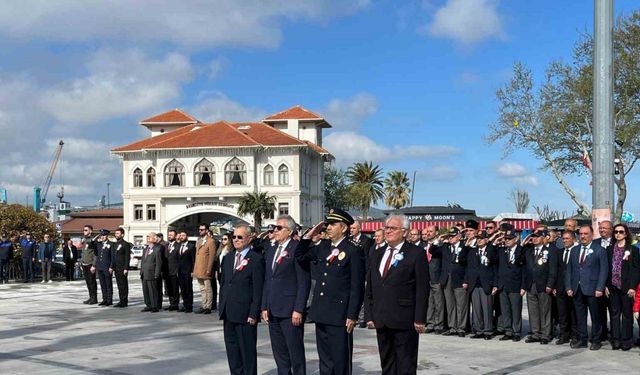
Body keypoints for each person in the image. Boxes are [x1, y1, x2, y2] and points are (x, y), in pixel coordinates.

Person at [296, 208, 365, 375]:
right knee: (325, 360)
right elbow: (299, 256)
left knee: (340, 359)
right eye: (327, 224)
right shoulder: (323, 247)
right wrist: (309, 235)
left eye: (332, 225)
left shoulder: (353, 250)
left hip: (340, 314)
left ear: (343, 227)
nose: (328, 227)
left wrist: (352, 315)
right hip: (321, 311)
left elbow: (357, 286)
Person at [365, 214, 428, 375]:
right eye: (386, 228)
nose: (388, 231)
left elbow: (422, 288)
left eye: (393, 228)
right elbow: (371, 285)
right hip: (382, 317)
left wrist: (419, 318)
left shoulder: (416, 253)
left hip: (404, 318)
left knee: (405, 363)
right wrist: (369, 314)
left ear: (405, 232)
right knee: (387, 363)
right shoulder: (377, 253)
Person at [261, 215, 310, 375]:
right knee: (279, 353)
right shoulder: (272, 249)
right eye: (275, 227)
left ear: (289, 231)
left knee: (295, 352)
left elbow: (303, 281)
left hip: (290, 310)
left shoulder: (297, 249)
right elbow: (268, 279)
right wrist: (264, 306)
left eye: (279, 228)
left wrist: (299, 309)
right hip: (273, 308)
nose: (275, 230)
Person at [219, 225, 265, 375]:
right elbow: (225, 283)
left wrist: (254, 313)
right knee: (232, 351)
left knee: (247, 352)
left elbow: (258, 289)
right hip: (229, 312)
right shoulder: (228, 258)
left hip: (246, 314)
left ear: (249, 238)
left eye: (240, 237)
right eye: (234, 237)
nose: (236, 240)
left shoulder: (256, 259)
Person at [565, 225, 608, 350]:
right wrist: (569, 286)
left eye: (585, 234)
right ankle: (582, 339)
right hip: (577, 289)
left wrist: (600, 287)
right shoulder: (574, 250)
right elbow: (569, 270)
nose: (583, 236)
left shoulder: (599, 250)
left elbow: (603, 270)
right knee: (580, 316)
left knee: (595, 316)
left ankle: (596, 340)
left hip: (593, 289)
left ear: (592, 234)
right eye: (581, 234)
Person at [605, 223, 639, 350]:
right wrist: (606, 285)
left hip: (626, 288)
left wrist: (632, 287)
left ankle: (626, 339)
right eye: (616, 232)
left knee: (627, 314)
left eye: (621, 232)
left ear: (625, 234)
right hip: (613, 286)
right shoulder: (609, 249)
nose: (618, 234)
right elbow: (606, 269)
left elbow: (636, 269)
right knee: (614, 314)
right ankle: (616, 339)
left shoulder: (633, 250)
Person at [522, 229, 557, 344]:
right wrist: (525, 242)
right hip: (531, 285)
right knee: (533, 311)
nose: (534, 239)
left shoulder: (550, 251)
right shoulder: (529, 250)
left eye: (537, 237)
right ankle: (535, 333)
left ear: (543, 238)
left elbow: (553, 270)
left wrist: (550, 284)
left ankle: (546, 334)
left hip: (544, 285)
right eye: (533, 237)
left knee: (545, 310)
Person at [434, 227, 469, 337]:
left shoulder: (465, 247)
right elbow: (433, 251)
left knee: (461, 305)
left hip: (459, 279)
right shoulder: (445, 246)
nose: (450, 238)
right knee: (450, 305)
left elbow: (469, 266)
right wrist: (438, 240)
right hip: (446, 279)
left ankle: (461, 328)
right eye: (449, 236)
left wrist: (466, 280)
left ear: (458, 236)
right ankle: (452, 327)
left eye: (452, 236)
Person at [465, 230, 498, 339]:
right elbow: (468, 267)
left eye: (481, 238)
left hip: (486, 283)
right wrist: (466, 281)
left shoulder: (491, 250)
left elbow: (495, 268)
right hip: (474, 283)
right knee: (476, 308)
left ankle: (488, 331)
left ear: (486, 240)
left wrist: (495, 284)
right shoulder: (472, 251)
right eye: (477, 239)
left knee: (487, 308)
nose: (479, 241)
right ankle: (478, 330)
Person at [496, 230, 526, 341]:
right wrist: (496, 241)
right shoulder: (502, 251)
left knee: (516, 310)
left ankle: (516, 331)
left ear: (516, 239)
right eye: (506, 239)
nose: (507, 241)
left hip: (516, 285)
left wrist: (523, 286)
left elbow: (524, 270)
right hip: (503, 285)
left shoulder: (521, 251)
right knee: (505, 310)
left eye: (509, 239)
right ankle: (508, 331)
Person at [554, 230, 578, 345]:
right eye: (563, 238)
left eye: (567, 238)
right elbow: (555, 271)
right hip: (560, 288)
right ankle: (564, 335)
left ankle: (574, 335)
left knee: (573, 313)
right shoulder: (559, 252)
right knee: (562, 313)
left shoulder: (577, 252)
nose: (565, 241)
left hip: (573, 288)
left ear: (573, 239)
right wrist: (554, 286)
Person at [423, 226, 445, 334]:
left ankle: (438, 325)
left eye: (431, 231)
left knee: (438, 303)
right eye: (427, 231)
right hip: (426, 277)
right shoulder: (424, 245)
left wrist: (436, 242)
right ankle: (430, 323)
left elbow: (437, 255)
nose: (428, 233)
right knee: (429, 302)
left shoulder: (440, 244)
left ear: (436, 232)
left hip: (436, 277)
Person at [594, 220, 613, 342]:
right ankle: (602, 333)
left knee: (614, 311)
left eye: (604, 228)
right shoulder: (595, 243)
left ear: (611, 229)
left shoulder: (617, 243)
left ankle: (617, 334)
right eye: (600, 228)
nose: (602, 230)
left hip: (613, 285)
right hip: (598, 284)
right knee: (600, 312)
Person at [193, 223, 216, 314]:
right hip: (199, 269)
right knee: (202, 289)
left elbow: (212, 257)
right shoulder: (198, 240)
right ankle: (203, 305)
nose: (200, 231)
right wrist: (194, 269)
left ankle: (208, 307)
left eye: (202, 230)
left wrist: (209, 269)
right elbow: (196, 256)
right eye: (199, 230)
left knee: (208, 289)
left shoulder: (211, 241)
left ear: (206, 230)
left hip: (206, 269)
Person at [141, 232, 162, 313]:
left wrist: (157, 273)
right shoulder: (145, 249)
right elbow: (143, 261)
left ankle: (154, 306)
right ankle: (148, 305)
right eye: (147, 237)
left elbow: (158, 262)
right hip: (144, 273)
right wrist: (141, 271)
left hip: (152, 273)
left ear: (154, 238)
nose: (148, 238)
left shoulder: (157, 249)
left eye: (149, 237)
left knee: (152, 290)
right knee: (145, 290)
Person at [113, 228, 131, 308]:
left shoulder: (126, 244)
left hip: (123, 267)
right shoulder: (115, 244)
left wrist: (126, 268)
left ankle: (124, 301)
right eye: (115, 233)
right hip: (116, 267)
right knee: (119, 285)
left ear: (122, 234)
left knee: (124, 285)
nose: (116, 235)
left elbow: (127, 257)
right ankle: (121, 300)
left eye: (117, 233)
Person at [177, 231, 196, 313]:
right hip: (180, 271)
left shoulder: (191, 246)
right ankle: (185, 305)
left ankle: (189, 306)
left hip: (188, 271)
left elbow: (193, 259)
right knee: (183, 289)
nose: (181, 237)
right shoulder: (179, 246)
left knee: (188, 288)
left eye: (183, 235)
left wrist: (192, 270)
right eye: (180, 235)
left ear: (187, 236)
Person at [95, 229, 114, 306]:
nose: (102, 237)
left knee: (108, 284)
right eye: (101, 235)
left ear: (107, 236)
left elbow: (113, 257)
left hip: (107, 267)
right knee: (102, 284)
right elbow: (91, 245)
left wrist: (111, 266)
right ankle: (104, 299)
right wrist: (95, 238)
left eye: (104, 235)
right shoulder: (99, 244)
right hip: (100, 267)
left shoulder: (111, 244)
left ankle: (109, 300)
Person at [81, 225, 99, 304]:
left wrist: (94, 265)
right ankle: (90, 297)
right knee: (88, 282)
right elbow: (84, 252)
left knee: (92, 282)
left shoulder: (93, 240)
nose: (84, 231)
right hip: (84, 264)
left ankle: (94, 298)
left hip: (90, 264)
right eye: (84, 230)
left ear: (90, 231)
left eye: (86, 230)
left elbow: (96, 254)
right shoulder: (85, 240)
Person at [164, 230, 180, 311]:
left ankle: (175, 304)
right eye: (169, 235)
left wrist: (178, 270)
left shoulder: (178, 245)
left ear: (175, 236)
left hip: (174, 271)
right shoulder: (166, 245)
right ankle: (171, 303)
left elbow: (179, 259)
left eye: (171, 235)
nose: (169, 236)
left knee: (175, 288)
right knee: (169, 288)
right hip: (167, 271)